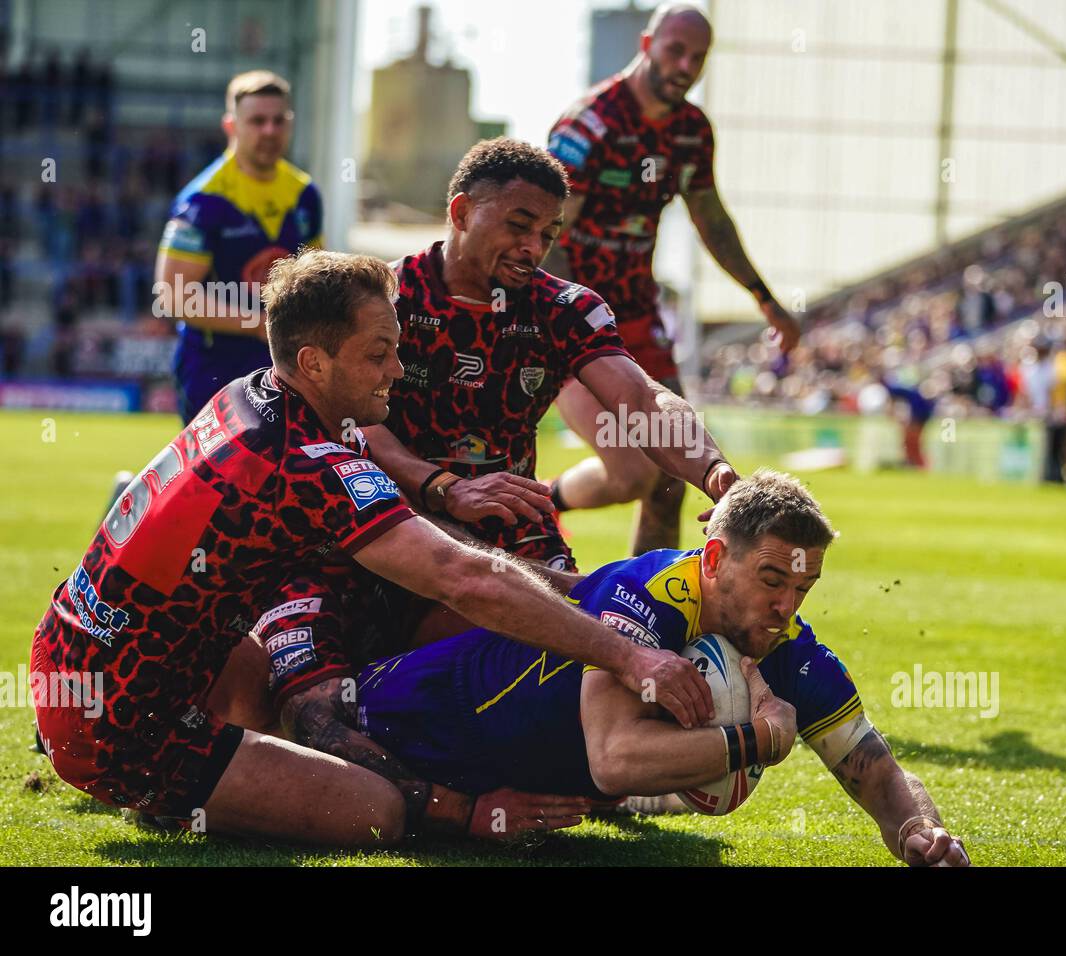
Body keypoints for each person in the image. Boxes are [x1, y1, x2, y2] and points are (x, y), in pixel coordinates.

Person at [30, 249, 711, 848]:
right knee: (378, 810)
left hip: (70, 659)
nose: (399, 367)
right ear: (313, 361)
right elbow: (461, 577)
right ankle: (169, 795)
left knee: (274, 689)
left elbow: (448, 558)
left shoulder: (252, 396)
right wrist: (627, 655)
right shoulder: (308, 462)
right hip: (122, 726)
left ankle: (210, 784)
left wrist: (575, 591)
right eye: (378, 353)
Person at [354, 471, 970, 865]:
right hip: (396, 724)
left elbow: (873, 764)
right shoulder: (645, 592)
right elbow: (615, 758)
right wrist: (758, 739)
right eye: (771, 580)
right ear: (715, 558)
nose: (785, 607)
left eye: (803, 588)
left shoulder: (786, 646)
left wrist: (919, 830)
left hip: (485, 789)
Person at [360, 138, 737, 643]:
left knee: (595, 637)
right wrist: (444, 488)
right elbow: (355, 426)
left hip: (516, 524)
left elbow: (642, 399)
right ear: (462, 212)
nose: (533, 249)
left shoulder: (564, 307)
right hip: (395, 513)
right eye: (519, 227)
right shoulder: (384, 297)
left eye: (548, 234)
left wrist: (713, 471)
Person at [542, 2, 800, 555]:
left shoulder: (690, 131)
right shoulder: (588, 125)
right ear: (646, 43)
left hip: (637, 319)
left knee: (666, 480)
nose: (685, 65)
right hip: (571, 321)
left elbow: (711, 218)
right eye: (675, 50)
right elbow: (549, 236)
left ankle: (647, 615)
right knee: (634, 472)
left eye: (697, 57)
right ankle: (542, 503)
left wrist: (765, 298)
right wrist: (563, 319)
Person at [155, 70, 322, 423]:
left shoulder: (305, 195)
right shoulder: (202, 202)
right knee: (221, 477)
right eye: (257, 121)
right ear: (231, 126)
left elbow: (313, 283)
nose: (269, 131)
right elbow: (172, 295)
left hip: (285, 367)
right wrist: (257, 324)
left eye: (279, 121)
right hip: (214, 368)